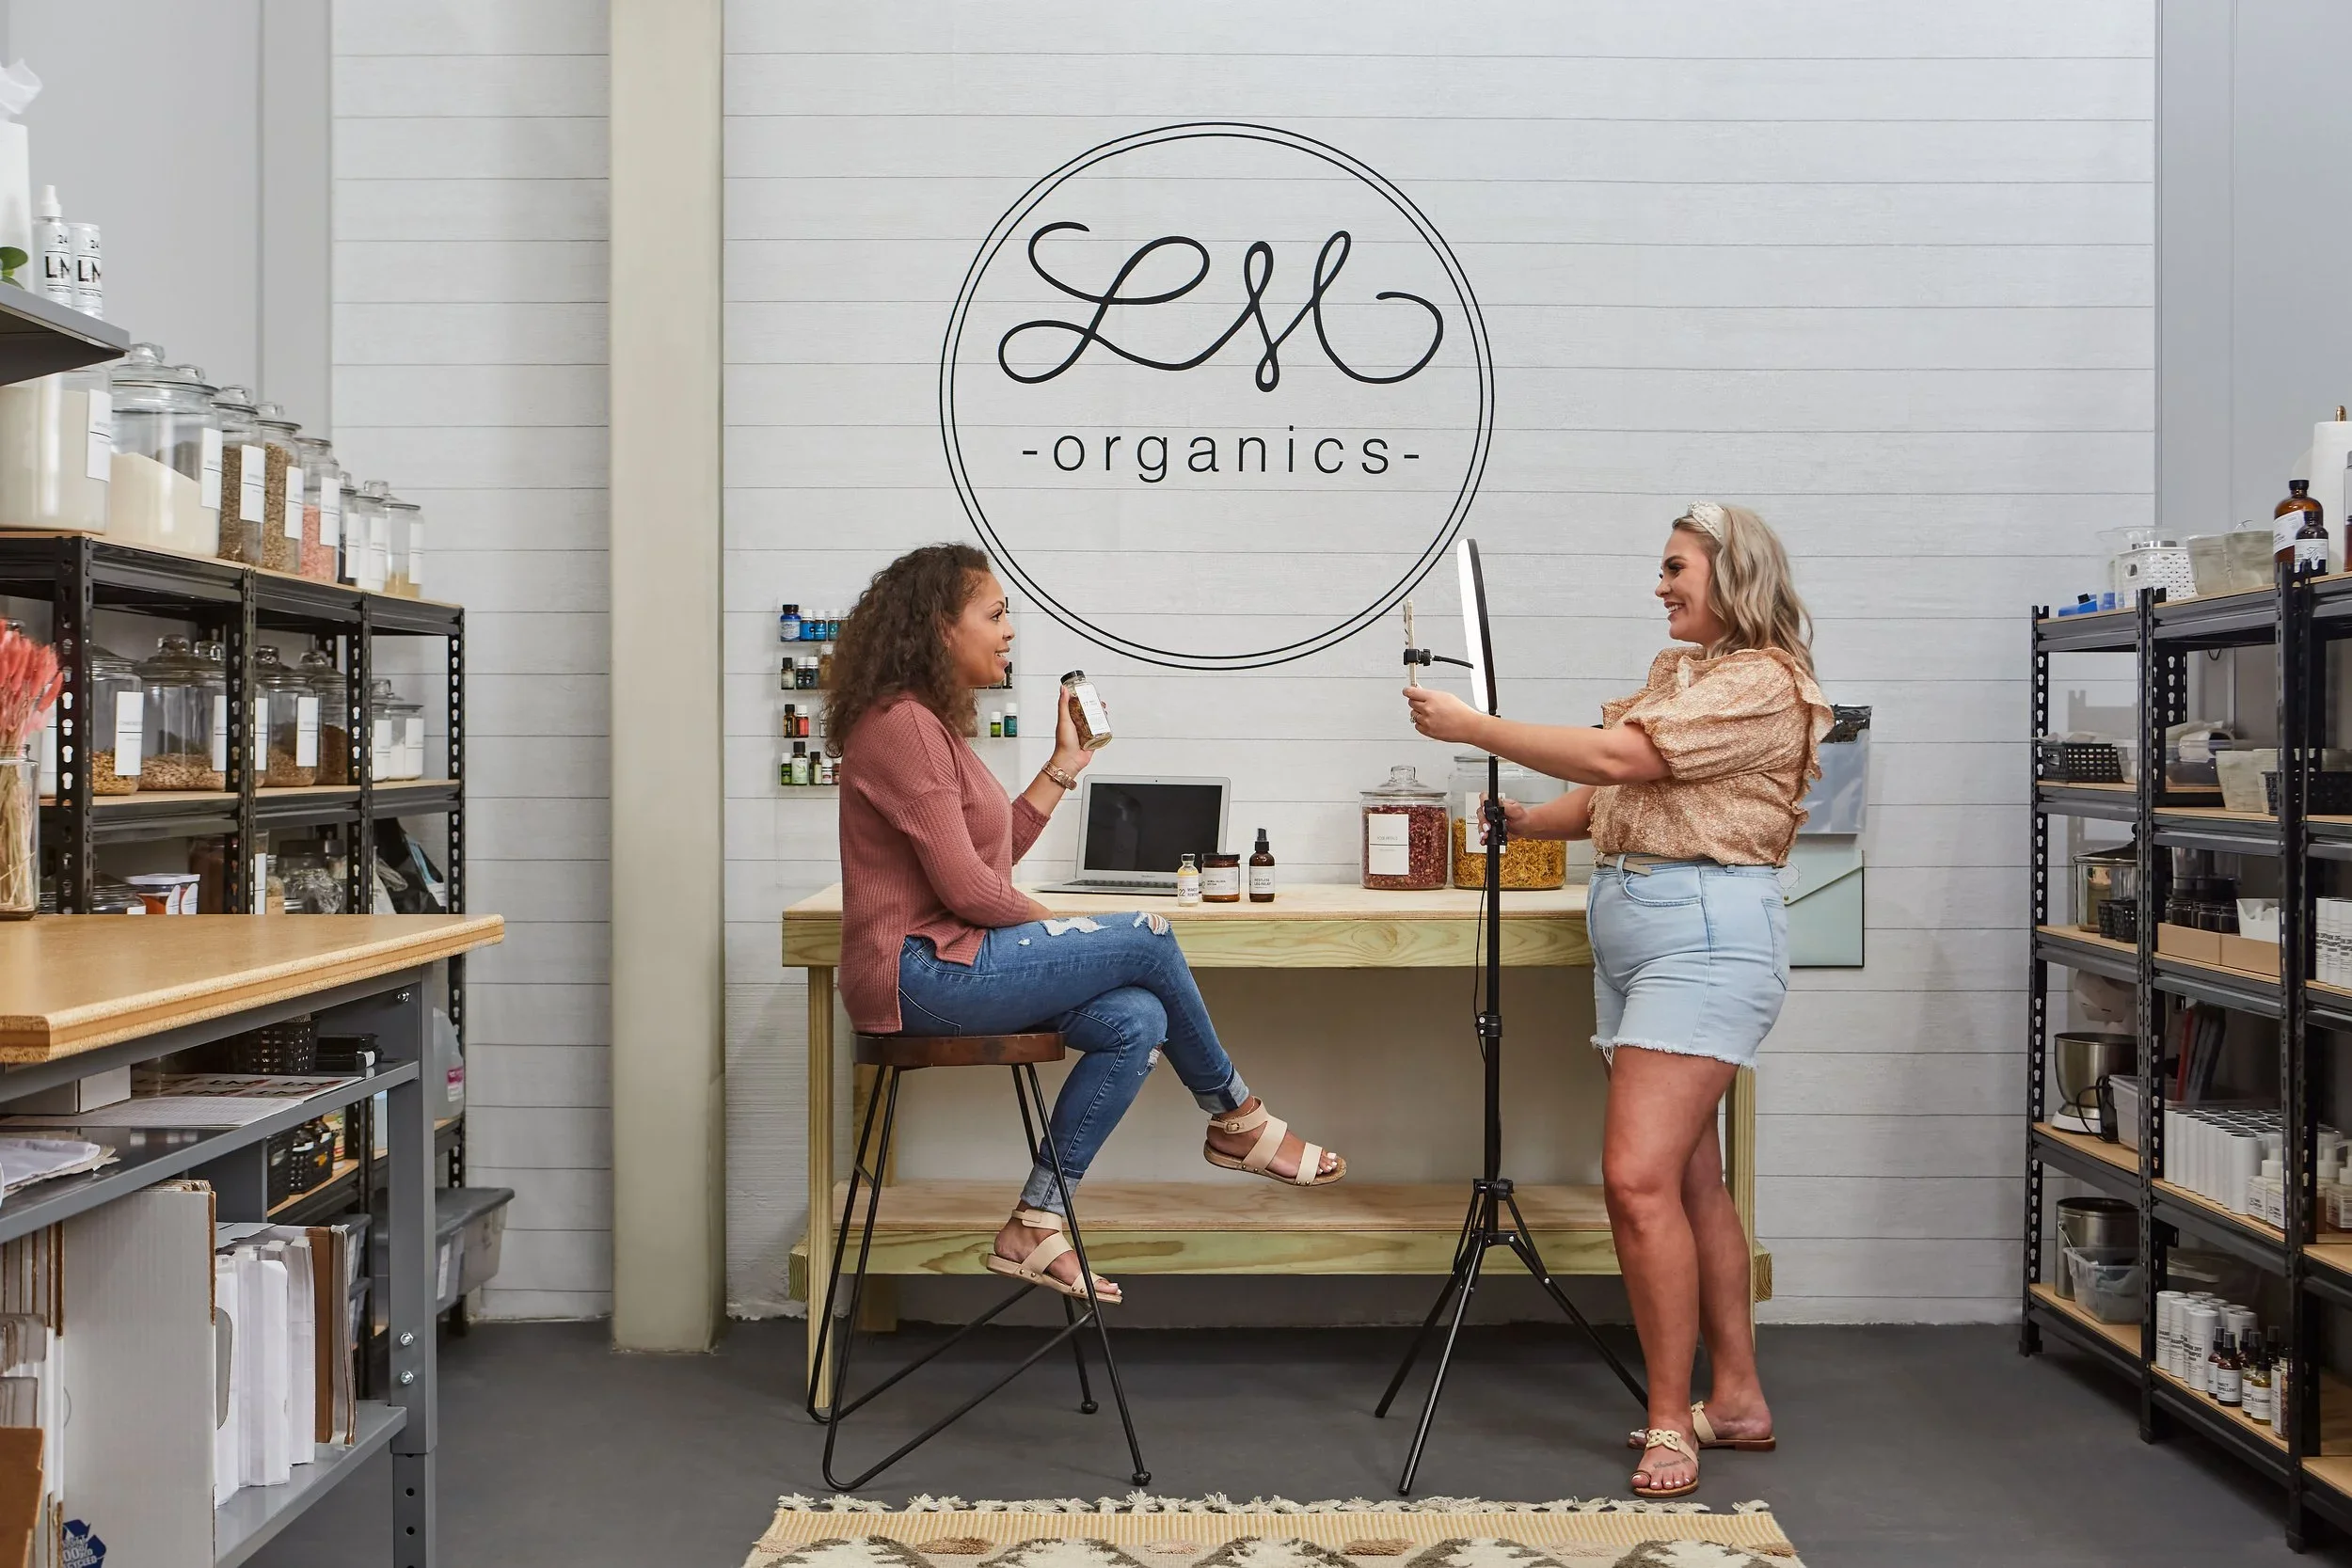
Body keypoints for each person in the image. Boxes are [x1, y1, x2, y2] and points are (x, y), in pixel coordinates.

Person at [1402, 501, 1827, 1499]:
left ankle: (1669, 1420)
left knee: (1635, 1182)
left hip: (1706, 936)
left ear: (1736, 576)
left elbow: (1620, 759)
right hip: (1644, 933)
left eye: (1676, 567)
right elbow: (1602, 800)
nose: (1661, 584)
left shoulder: (1764, 680)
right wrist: (1520, 817)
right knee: (1687, 1183)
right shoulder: (1683, 672)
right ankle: (1739, 1401)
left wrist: (1474, 727)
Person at [830, 543, 1345, 1305]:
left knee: (1136, 1016)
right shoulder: (901, 725)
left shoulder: (928, 725)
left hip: (950, 963)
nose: (1010, 630)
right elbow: (971, 888)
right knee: (1146, 935)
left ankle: (1036, 1220)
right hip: (918, 975)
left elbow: (989, 854)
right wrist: (1062, 933)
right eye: (995, 613)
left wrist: (1063, 763)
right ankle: (1238, 1117)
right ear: (941, 627)